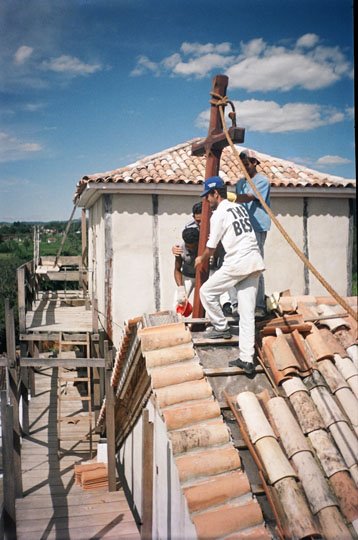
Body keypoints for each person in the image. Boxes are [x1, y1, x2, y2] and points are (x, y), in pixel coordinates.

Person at [195, 176, 265, 375]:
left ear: (215, 193)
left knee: (206, 291)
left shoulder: (219, 214)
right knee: (247, 314)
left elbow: (211, 246)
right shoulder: (238, 208)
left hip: (237, 262)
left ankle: (221, 326)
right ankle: (247, 360)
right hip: (254, 260)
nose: (207, 201)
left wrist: (202, 258)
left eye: (208, 196)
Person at [235, 149, 271, 318]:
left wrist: (229, 197)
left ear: (255, 163)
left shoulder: (262, 181)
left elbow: (249, 197)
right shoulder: (240, 183)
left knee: (256, 265)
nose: (244, 167)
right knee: (240, 264)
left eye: (247, 163)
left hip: (257, 227)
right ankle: (240, 304)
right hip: (243, 227)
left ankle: (259, 305)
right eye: (242, 164)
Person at [174, 226, 199, 307]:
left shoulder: (204, 247)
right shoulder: (180, 249)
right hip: (187, 277)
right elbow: (177, 269)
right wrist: (181, 288)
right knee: (179, 303)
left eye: (194, 247)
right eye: (188, 247)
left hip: (203, 277)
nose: (191, 249)